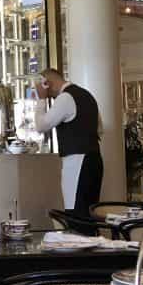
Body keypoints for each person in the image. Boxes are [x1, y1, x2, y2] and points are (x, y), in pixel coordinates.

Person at [33, 68, 104, 216]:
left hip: (77, 161)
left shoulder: (65, 98)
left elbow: (41, 126)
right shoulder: (87, 95)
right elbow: (100, 129)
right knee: (90, 212)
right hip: (94, 159)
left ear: (47, 84)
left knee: (76, 213)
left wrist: (41, 99)